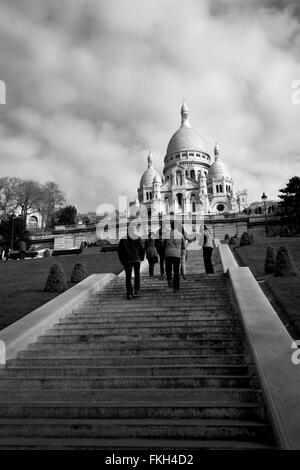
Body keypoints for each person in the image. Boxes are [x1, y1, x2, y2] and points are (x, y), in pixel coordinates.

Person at [118, 229, 145, 300]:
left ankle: (129, 293)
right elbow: (142, 248)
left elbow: (120, 251)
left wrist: (122, 261)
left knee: (128, 276)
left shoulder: (123, 239)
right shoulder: (137, 237)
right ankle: (137, 290)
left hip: (127, 260)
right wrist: (141, 258)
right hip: (136, 259)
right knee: (137, 275)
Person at [165, 220, 185, 292]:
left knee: (168, 269)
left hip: (168, 253)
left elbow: (163, 244)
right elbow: (183, 246)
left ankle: (169, 279)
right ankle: (176, 287)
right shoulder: (180, 235)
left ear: (171, 226)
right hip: (177, 254)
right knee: (176, 271)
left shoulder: (167, 234)